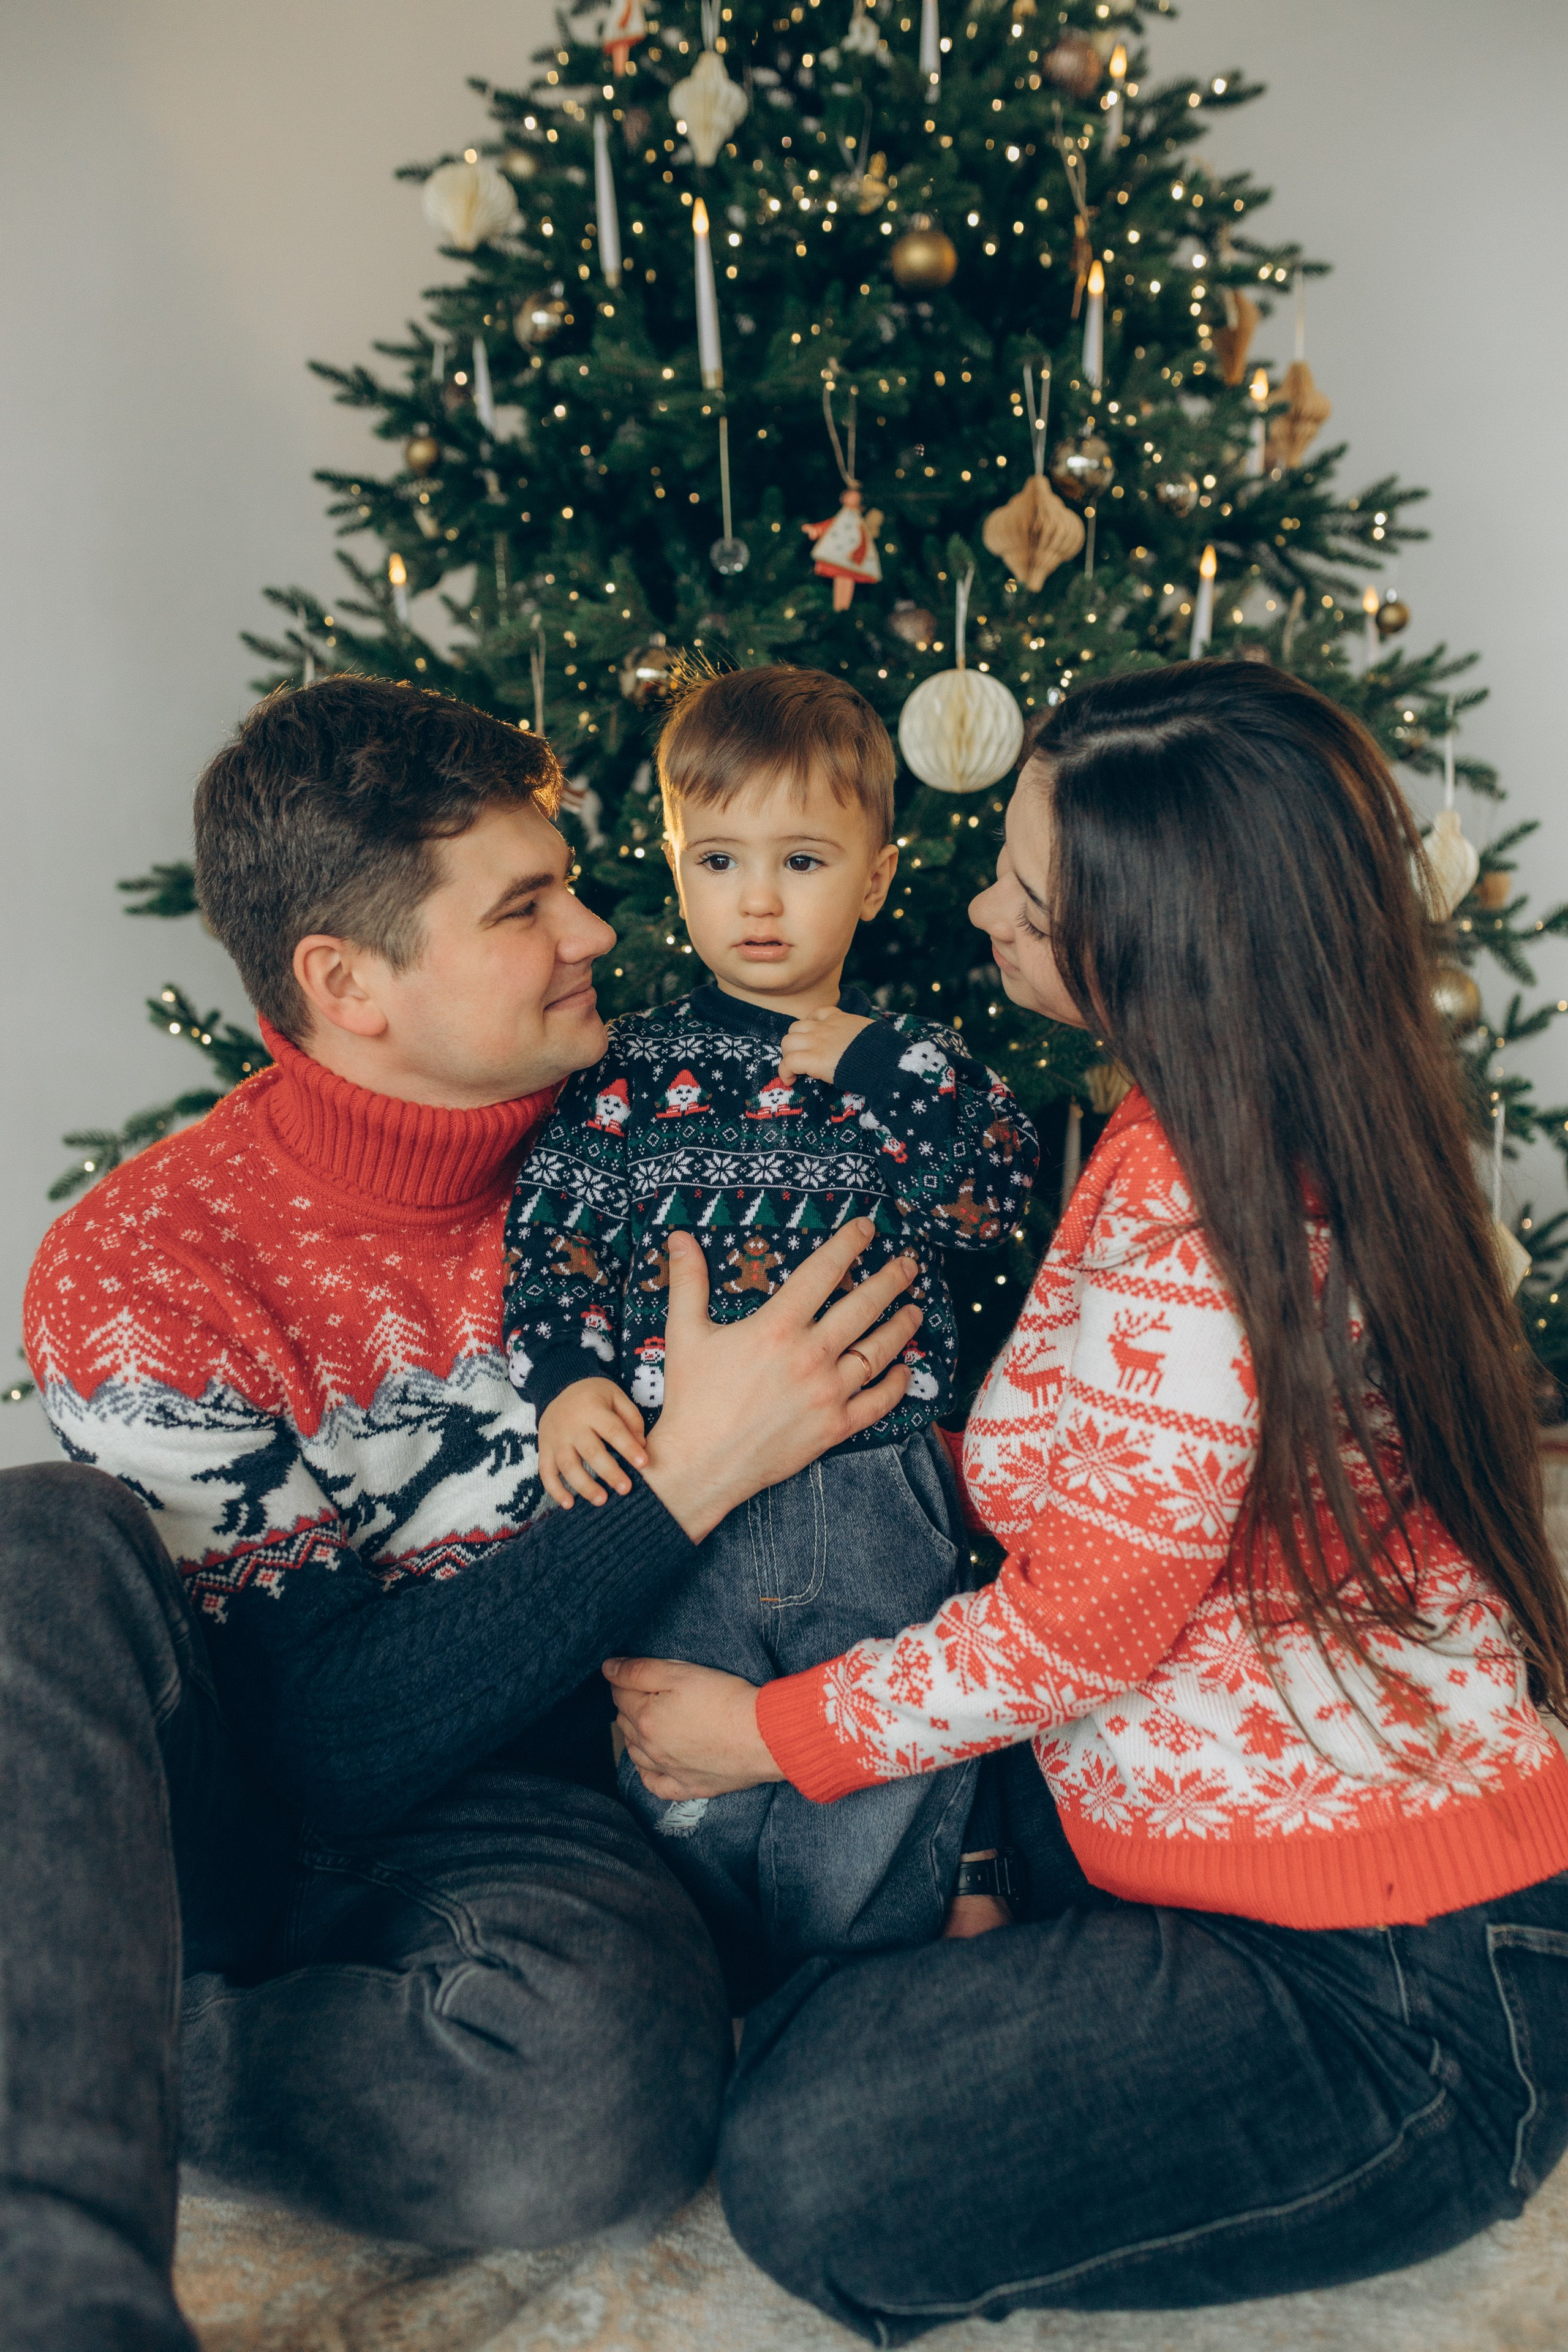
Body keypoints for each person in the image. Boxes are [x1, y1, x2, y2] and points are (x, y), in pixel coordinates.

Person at [606, 661, 1568, 2342]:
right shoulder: (1224, 1113)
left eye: (1030, 896)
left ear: (1164, 943)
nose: (982, 904)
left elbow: (1087, 1623)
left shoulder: (1205, 1213)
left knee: (804, 2168)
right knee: (846, 1952)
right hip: (1230, 1855)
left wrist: (761, 1737)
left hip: (1390, 1991)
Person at [7, 676, 925, 2352]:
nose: (596, 925)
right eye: (524, 906)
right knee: (34, 1544)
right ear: (348, 985)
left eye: (570, 875)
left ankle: (78, 2032)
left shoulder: (671, 1153)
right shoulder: (145, 1265)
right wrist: (685, 1476)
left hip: (507, 1805)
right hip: (200, 1802)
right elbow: (311, 1745)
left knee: (605, 2112)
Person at [503, 666, 1038, 1998]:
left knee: (866, 1766)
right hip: (674, 1490)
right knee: (679, 1761)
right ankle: (708, 1984)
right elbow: (554, 1238)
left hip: (873, 1482)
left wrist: (872, 1067)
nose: (756, 898)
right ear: (675, 867)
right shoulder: (619, 1074)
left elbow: (992, 1200)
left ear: (872, 877)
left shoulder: (908, 1062)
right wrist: (567, 1382)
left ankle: (849, 1992)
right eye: (720, 858)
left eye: (800, 860)